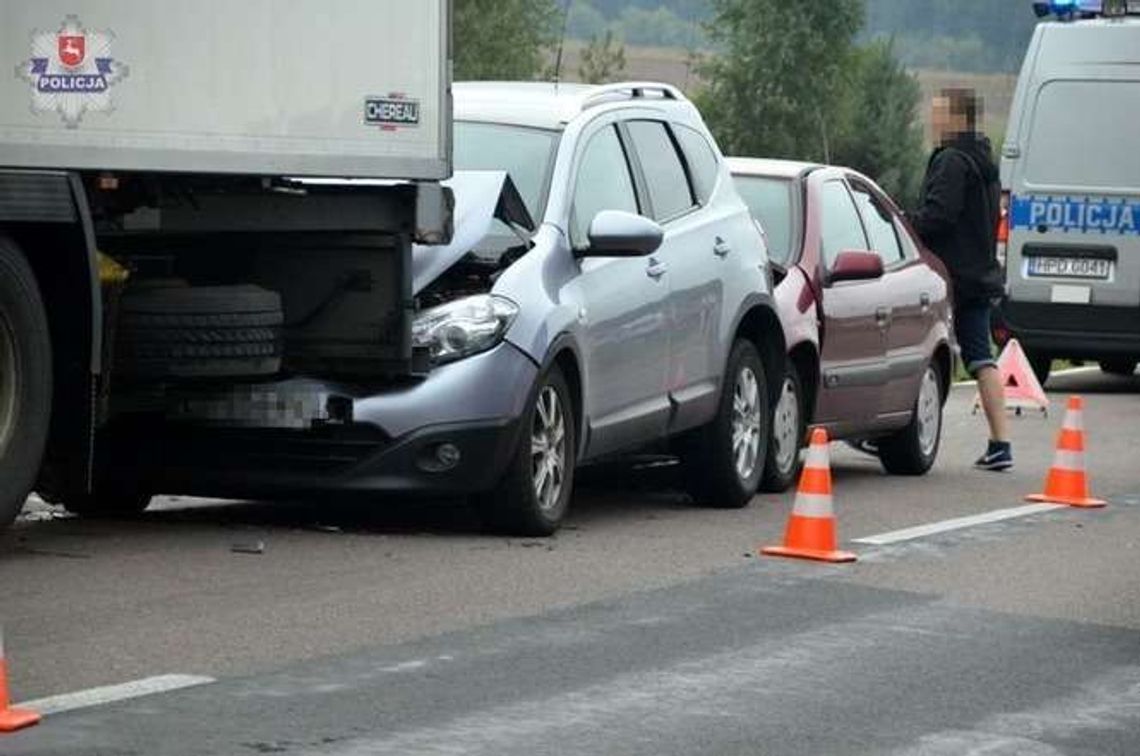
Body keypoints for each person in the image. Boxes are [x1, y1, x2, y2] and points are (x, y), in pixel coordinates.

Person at [911, 88, 1012, 472]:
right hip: (979, 274)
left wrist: (904, 222)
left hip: (951, 276)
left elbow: (940, 216)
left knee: (919, 350)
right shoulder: (983, 159)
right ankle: (1001, 443)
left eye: (938, 112)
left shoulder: (952, 160)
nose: (932, 120)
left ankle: (903, 431)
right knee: (981, 357)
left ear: (957, 118)